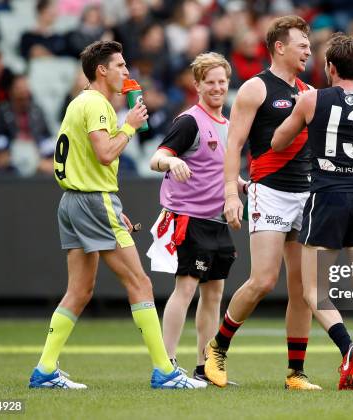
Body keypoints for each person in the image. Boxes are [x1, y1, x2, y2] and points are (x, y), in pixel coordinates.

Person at [28, 40, 206, 390]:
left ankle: (45, 370)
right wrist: (129, 125)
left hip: (76, 201)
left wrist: (109, 206)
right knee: (139, 283)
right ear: (102, 71)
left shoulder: (82, 101)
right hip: (93, 201)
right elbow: (105, 153)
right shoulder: (96, 103)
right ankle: (164, 372)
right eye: (121, 65)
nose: (127, 71)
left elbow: (90, 160)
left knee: (79, 290)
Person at [271, 33, 353, 390]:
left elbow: (277, 141)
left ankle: (347, 347)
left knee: (313, 291)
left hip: (327, 199)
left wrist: (301, 111)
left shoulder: (312, 99)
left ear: (330, 67)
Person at [204, 15, 321, 390]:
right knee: (263, 280)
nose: (307, 48)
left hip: (304, 194)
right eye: (300, 43)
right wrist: (228, 194)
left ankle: (295, 372)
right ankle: (216, 349)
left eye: (308, 43)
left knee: (303, 288)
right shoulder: (256, 88)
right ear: (279, 47)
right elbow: (233, 144)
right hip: (267, 191)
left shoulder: (308, 91)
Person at [149, 52, 242, 383]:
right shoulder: (189, 121)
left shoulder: (229, 125)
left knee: (214, 294)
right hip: (189, 218)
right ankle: (165, 365)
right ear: (197, 84)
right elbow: (156, 158)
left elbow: (221, 171)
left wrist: (242, 186)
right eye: (211, 82)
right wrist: (171, 162)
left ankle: (205, 368)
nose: (217, 88)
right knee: (185, 289)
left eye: (222, 81)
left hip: (217, 221)